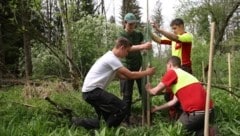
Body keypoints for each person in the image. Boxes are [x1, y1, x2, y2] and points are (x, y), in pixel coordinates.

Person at [72, 37, 155, 129]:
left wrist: (140, 73)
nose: (127, 54)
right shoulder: (112, 59)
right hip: (93, 92)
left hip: (89, 92)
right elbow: (130, 75)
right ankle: (107, 130)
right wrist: (147, 72)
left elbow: (122, 76)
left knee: (105, 119)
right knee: (122, 107)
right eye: (127, 51)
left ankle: (77, 122)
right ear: (122, 47)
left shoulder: (111, 57)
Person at [145, 56, 214, 136]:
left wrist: (149, 89)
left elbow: (155, 91)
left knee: (177, 131)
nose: (166, 69)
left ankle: (208, 132)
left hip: (198, 113)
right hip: (210, 112)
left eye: (167, 67)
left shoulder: (172, 72)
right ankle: (205, 130)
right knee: (179, 125)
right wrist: (157, 108)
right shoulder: (185, 76)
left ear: (170, 65)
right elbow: (173, 102)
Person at [151, 18, 193, 119]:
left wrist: (159, 29)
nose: (173, 30)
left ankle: (184, 114)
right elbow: (159, 40)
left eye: (175, 28)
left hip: (184, 68)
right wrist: (150, 32)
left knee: (182, 93)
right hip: (174, 69)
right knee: (169, 94)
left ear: (182, 26)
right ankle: (174, 114)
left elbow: (174, 37)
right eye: (172, 29)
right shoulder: (173, 39)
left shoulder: (187, 36)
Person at [119, 12, 152, 124]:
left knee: (144, 92)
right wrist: (142, 46)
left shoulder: (138, 34)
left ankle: (147, 116)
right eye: (130, 24)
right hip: (126, 68)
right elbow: (128, 48)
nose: (132, 26)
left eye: (134, 24)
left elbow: (143, 44)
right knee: (127, 96)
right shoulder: (121, 34)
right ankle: (125, 120)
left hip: (139, 68)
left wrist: (144, 48)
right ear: (125, 23)